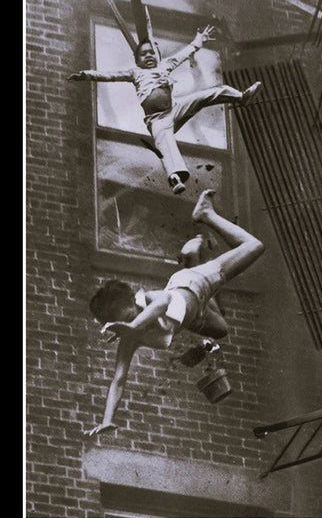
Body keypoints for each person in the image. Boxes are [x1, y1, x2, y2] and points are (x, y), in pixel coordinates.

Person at [86, 189, 264, 435]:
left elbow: (164, 302)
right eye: (126, 322)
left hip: (196, 283)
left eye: (132, 315)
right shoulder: (130, 338)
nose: (134, 320)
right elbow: (118, 379)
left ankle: (206, 214)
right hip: (194, 316)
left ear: (134, 301)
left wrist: (133, 325)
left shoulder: (148, 299)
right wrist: (107, 419)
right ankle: (192, 255)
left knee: (254, 245)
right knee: (222, 330)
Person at [68, 25, 262, 194]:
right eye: (144, 54)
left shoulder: (165, 66)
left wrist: (199, 39)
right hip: (157, 119)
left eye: (151, 52)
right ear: (137, 61)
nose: (149, 56)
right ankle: (175, 178)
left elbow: (185, 53)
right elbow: (109, 75)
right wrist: (86, 75)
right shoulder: (135, 73)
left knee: (211, 93)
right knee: (165, 142)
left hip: (175, 108)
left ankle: (240, 97)